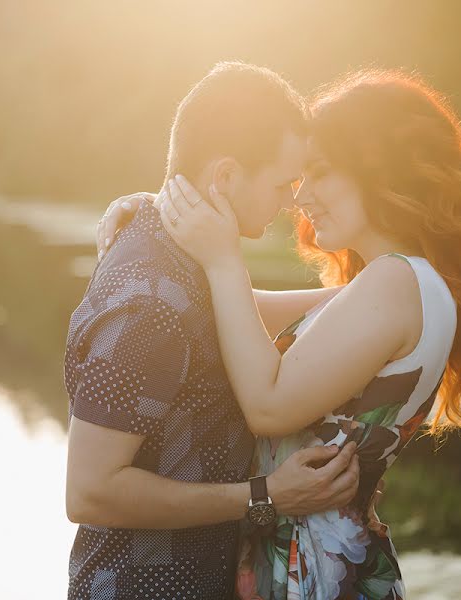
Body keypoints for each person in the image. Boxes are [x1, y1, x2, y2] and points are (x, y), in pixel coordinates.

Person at [98, 69, 461, 599]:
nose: (302, 197)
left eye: (319, 174)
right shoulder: (396, 283)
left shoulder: (396, 282)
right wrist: (161, 230)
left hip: (316, 572)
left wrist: (225, 258)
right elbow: (236, 314)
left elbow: (268, 407)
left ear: (379, 170)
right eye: (298, 179)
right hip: (311, 557)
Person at [63, 61, 362, 600]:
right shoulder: (147, 303)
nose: (291, 200)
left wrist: (378, 294)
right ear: (225, 177)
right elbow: (89, 491)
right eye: (281, 183)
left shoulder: (181, 253)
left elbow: (234, 316)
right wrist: (265, 495)